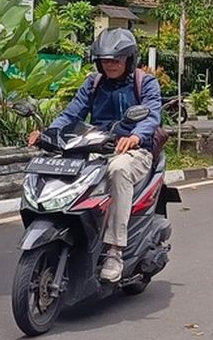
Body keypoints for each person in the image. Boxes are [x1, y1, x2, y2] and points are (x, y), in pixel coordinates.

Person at [28, 29, 162, 283]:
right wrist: (49, 133)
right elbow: (71, 114)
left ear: (129, 60)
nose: (110, 65)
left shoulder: (145, 83)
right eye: (104, 60)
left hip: (133, 150)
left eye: (116, 60)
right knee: (63, 167)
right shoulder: (93, 83)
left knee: (118, 170)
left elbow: (153, 115)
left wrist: (135, 135)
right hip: (94, 147)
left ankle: (114, 250)